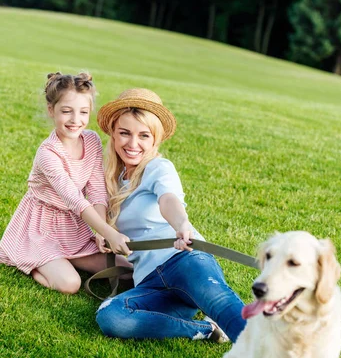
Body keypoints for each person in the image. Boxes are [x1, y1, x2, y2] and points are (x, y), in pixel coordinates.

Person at [95, 88, 246, 343]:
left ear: (156, 139)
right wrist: (102, 233)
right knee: (111, 316)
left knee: (224, 305)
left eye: (144, 135)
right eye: (125, 133)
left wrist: (181, 223)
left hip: (185, 260)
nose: (133, 144)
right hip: (150, 282)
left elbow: (169, 200)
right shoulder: (112, 179)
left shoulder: (158, 168)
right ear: (113, 133)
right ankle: (204, 330)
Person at [0, 72, 130, 294]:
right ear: (51, 110)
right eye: (66, 111)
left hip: (71, 227)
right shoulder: (48, 153)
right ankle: (33, 261)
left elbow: (96, 190)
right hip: (39, 228)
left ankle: (69, 257)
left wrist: (101, 232)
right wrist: (109, 232)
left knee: (127, 270)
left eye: (83, 112)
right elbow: (75, 199)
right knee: (70, 284)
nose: (75, 120)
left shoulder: (91, 140)